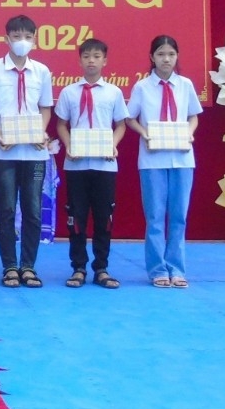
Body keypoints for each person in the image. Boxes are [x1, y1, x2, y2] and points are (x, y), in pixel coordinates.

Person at [124, 34, 203, 288]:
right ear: (152, 57)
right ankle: (158, 269)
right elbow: (129, 117)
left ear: (177, 56)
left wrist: (190, 132)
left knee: (179, 216)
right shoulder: (142, 87)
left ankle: (177, 269)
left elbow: (193, 116)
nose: (166, 59)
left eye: (170, 54)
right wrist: (144, 133)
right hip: (153, 159)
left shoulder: (185, 85)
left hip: (182, 158)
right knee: (155, 216)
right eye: (160, 54)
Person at [0, 14, 54, 289]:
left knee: (33, 210)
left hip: (34, 153)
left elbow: (45, 108)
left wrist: (40, 132)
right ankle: (10, 266)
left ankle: (28, 266)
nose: (22, 41)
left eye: (27, 36)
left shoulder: (42, 71)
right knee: (6, 210)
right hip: (4, 152)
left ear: (34, 40)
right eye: (16, 36)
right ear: (6, 39)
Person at [54, 38, 127, 290]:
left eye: (96, 56)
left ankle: (101, 268)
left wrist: (113, 145)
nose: (91, 61)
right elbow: (61, 124)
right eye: (86, 56)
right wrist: (69, 145)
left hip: (105, 165)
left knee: (104, 217)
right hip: (76, 165)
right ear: (80, 61)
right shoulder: (69, 92)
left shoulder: (114, 92)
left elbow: (121, 125)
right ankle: (78, 267)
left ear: (105, 61)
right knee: (76, 217)